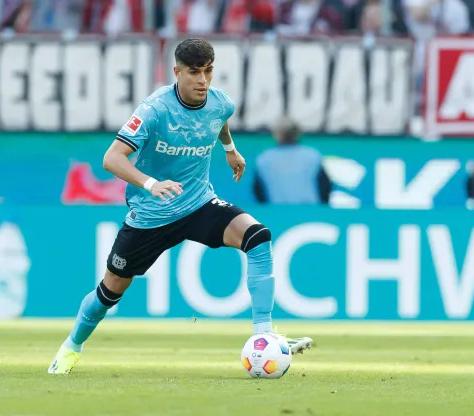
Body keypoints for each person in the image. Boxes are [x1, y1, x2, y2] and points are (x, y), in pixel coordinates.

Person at [48, 38, 314, 374]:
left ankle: (264, 336)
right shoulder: (154, 110)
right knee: (109, 291)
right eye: (194, 72)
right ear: (177, 72)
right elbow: (111, 158)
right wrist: (151, 184)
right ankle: (72, 346)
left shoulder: (220, 103)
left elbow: (219, 121)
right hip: (152, 214)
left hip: (198, 203)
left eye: (208, 71)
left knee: (258, 237)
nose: (202, 80)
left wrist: (230, 149)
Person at [253, 117, 332, 204]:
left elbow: (259, 192)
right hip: (310, 211)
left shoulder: (264, 159)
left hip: (277, 212)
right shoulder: (312, 156)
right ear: (298, 133)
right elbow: (325, 187)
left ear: (276, 135)